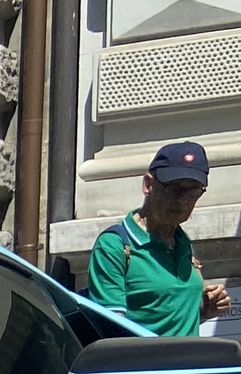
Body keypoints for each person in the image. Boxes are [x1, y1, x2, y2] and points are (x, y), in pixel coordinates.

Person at [84, 140, 232, 336]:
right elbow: (112, 332)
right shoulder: (114, 245)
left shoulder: (182, 241)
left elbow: (167, 315)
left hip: (191, 365)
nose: (182, 200)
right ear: (148, 185)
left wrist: (204, 310)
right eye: (174, 188)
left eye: (193, 191)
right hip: (144, 366)